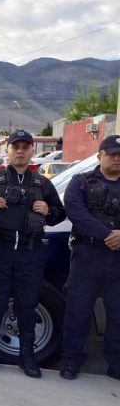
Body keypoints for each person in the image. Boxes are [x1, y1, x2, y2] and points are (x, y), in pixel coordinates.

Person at [0, 129, 65, 378]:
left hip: (31, 253)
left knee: (27, 305)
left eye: (25, 147)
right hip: (0, 251)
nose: (20, 151)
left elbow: (60, 214)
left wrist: (48, 209)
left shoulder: (43, 184)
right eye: (15, 146)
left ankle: (28, 358)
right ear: (7, 151)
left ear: (32, 152)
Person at [60, 135, 120, 381]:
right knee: (78, 311)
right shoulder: (81, 182)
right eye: (112, 153)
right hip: (88, 255)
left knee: (118, 314)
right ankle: (71, 362)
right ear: (100, 156)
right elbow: (76, 214)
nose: (117, 158)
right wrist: (109, 235)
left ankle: (116, 364)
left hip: (118, 259)